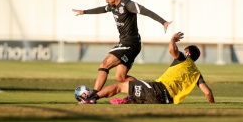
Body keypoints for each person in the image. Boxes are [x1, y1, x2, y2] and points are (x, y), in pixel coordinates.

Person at [73, 0, 172, 99]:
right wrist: (84, 12)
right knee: (121, 78)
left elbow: (146, 11)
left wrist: (163, 22)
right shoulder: (112, 6)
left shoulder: (128, 4)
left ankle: (93, 95)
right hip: (128, 44)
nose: (107, 2)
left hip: (130, 43)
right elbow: (101, 9)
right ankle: (147, 92)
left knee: (104, 64)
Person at [79, 32, 215, 104]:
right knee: (129, 87)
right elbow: (207, 92)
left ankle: (91, 98)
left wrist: (172, 39)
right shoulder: (196, 73)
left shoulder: (184, 59)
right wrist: (212, 104)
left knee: (119, 86)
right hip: (166, 101)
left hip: (158, 89)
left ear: (188, 53)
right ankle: (130, 98)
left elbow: (172, 50)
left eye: (185, 51)